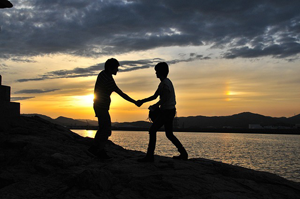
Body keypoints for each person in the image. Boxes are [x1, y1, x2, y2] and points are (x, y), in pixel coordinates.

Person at [88, 58, 139, 159]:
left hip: (98, 106)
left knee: (103, 128)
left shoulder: (103, 74)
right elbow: (121, 93)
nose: (117, 70)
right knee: (106, 130)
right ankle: (99, 150)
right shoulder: (108, 79)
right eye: (116, 68)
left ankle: (95, 148)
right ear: (111, 68)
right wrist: (135, 102)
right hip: (101, 107)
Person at [137, 62, 188, 162]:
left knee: (152, 130)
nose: (155, 73)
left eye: (156, 71)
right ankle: (183, 153)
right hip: (169, 111)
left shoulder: (165, 84)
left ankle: (149, 156)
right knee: (169, 134)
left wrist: (154, 106)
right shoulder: (164, 83)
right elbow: (154, 96)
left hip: (167, 112)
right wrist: (142, 101)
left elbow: (164, 99)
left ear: (160, 72)